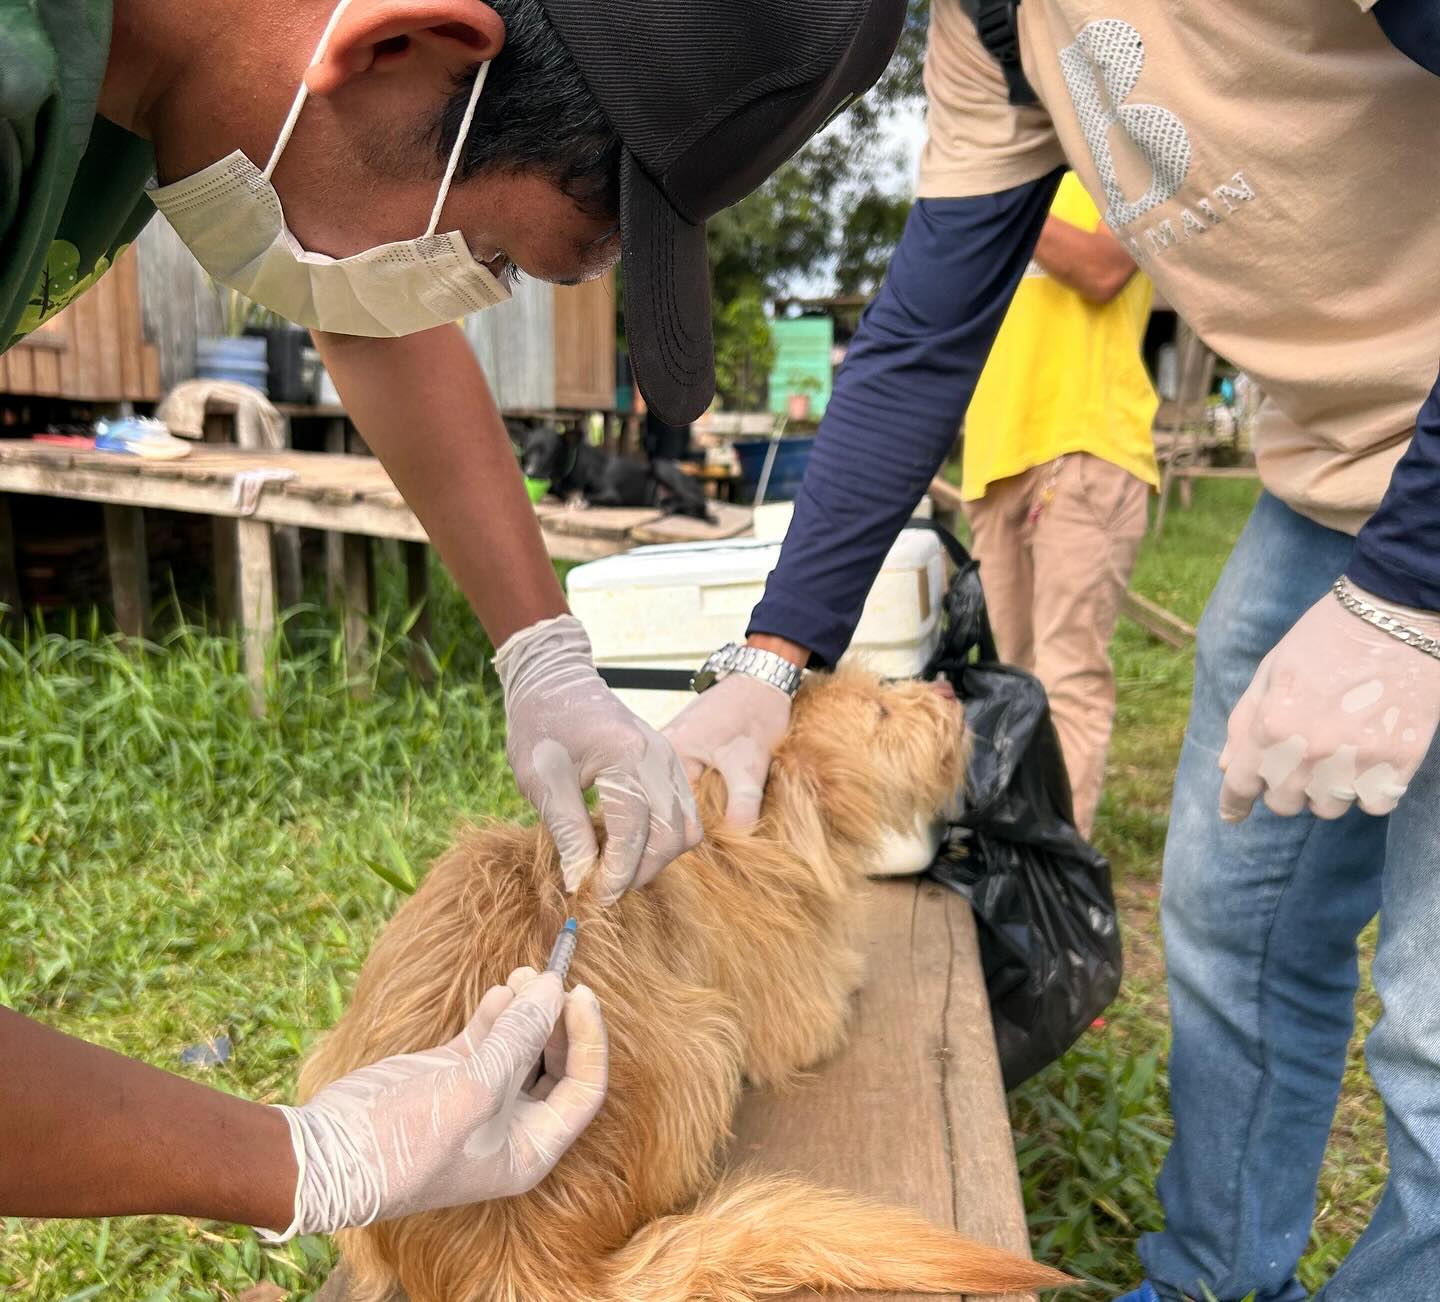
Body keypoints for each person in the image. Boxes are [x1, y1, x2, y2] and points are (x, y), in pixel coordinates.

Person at [0, 0, 903, 1242]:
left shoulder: (175, 80)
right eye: (495, 257)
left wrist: (544, 649)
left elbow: (364, 285)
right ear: (398, 45)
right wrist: (295, 1161)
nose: (464, 296)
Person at [665, 3, 1440, 1299]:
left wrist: (1409, 591)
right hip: (1332, 486)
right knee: (1235, 913)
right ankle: (1212, 1276)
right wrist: (768, 662)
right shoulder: (989, 29)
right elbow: (919, 345)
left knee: (1430, 1015)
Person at [960, 170, 1156, 838]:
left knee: (1066, 677)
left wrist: (996, 199)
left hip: (1084, 445)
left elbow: (1104, 268)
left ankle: (1058, 881)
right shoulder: (997, 179)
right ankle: (1020, 852)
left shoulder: (1117, 164)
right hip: (993, 460)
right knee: (1012, 680)